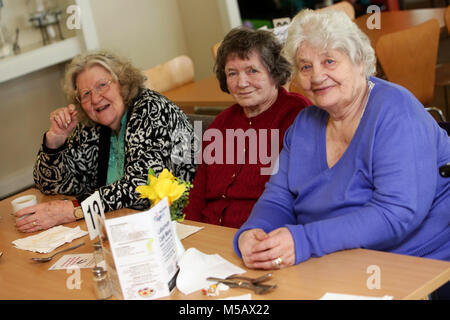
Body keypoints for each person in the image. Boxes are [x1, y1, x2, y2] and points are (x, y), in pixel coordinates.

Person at [234, 9, 450, 270]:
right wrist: (254, 232)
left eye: (329, 62)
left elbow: (396, 214)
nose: (316, 77)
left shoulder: (395, 112)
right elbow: (279, 198)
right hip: (332, 262)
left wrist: (304, 241)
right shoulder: (304, 124)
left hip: (411, 264)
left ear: (359, 61)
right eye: (305, 66)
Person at [16, 50, 197, 232]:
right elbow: (51, 186)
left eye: (102, 85)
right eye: (85, 94)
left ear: (122, 83)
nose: (95, 99)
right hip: (120, 226)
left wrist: (73, 210)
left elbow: (140, 187)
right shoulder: (91, 124)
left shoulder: (150, 110)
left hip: (181, 224)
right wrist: (55, 140)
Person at [184, 27, 311, 228]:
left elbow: (303, 198)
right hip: (209, 236)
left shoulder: (297, 116)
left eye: (252, 70)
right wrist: (188, 234)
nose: (242, 83)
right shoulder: (221, 125)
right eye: (232, 73)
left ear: (274, 72)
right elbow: (198, 193)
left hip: (260, 236)